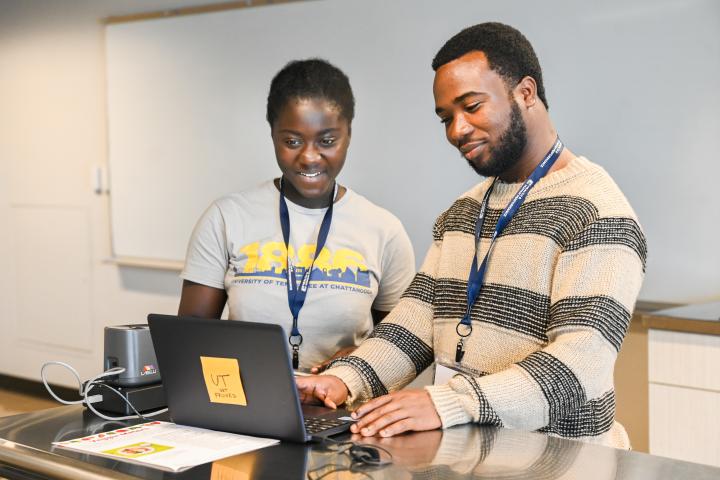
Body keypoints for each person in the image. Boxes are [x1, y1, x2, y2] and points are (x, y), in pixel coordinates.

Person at [296, 23, 647, 449]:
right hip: (470, 457)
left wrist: (450, 404)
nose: (457, 130)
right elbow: (413, 325)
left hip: (563, 463)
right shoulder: (462, 213)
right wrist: (343, 379)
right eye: (446, 117)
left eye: (472, 106)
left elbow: (580, 365)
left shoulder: (597, 211)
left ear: (526, 93)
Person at [178, 59, 415, 372]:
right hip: (246, 405)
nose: (309, 157)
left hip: (344, 409)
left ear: (348, 135)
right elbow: (191, 336)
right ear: (273, 135)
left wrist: (358, 362)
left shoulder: (383, 229)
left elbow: (400, 345)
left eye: (327, 141)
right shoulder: (226, 217)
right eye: (292, 141)